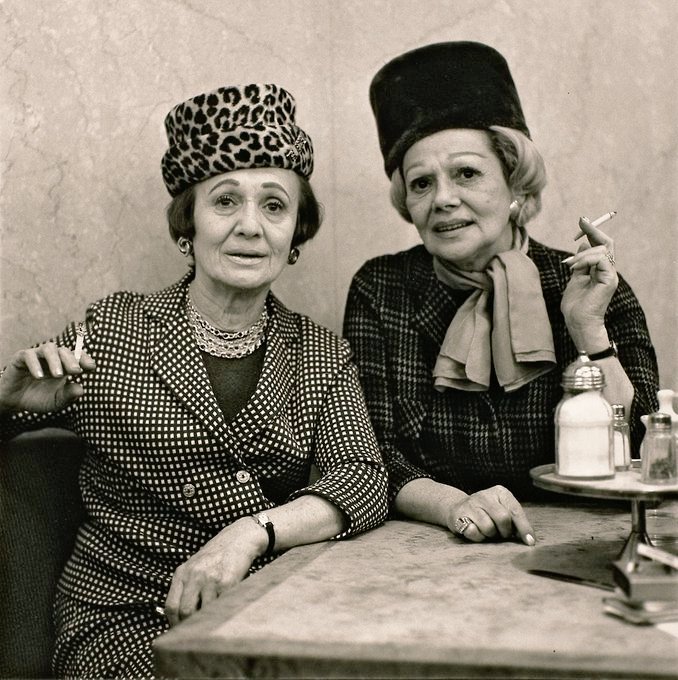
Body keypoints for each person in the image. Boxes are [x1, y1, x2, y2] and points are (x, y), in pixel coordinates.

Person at [0, 83, 388, 679]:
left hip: (265, 612)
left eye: (275, 206)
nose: (250, 227)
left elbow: (362, 481)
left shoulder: (321, 351)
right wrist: (6, 402)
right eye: (225, 201)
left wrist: (248, 536)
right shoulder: (114, 328)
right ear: (189, 224)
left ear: (295, 237)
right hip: (122, 619)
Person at [344, 42, 659, 546]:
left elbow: (645, 453)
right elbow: (369, 453)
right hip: (430, 543)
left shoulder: (588, 284)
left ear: (514, 184)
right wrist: (455, 506)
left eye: (467, 173)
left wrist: (587, 330)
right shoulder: (383, 290)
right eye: (421, 183)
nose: (443, 199)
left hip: (581, 542)